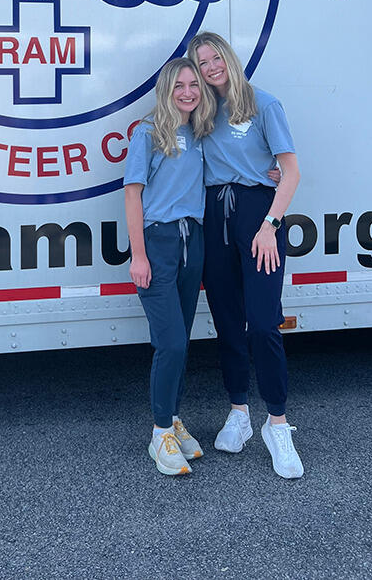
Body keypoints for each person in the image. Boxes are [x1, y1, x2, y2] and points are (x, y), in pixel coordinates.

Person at [187, 31, 304, 479]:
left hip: (258, 216)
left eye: (216, 57)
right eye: (202, 62)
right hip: (214, 216)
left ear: (229, 58)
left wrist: (270, 226)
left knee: (263, 323)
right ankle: (239, 412)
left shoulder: (263, 103)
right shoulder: (200, 108)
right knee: (228, 323)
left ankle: (278, 424)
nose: (211, 66)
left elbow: (290, 172)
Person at [123, 57, 209, 476]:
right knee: (170, 342)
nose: (188, 92)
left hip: (195, 240)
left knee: (183, 341)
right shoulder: (147, 133)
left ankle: (173, 419)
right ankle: (159, 434)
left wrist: (267, 171)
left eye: (194, 84)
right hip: (159, 243)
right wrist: (138, 255)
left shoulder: (201, 132)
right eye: (179, 85)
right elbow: (132, 196)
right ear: (166, 89)